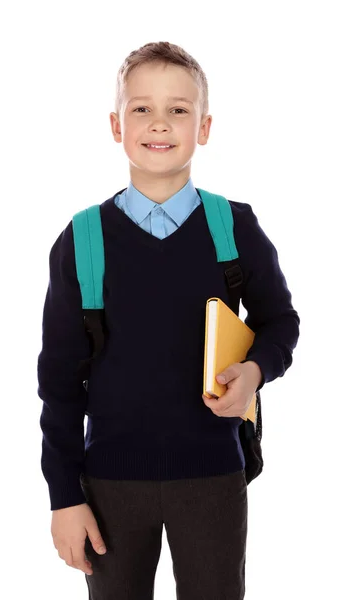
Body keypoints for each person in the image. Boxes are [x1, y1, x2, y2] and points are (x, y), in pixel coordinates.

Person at [37, 41, 300, 600]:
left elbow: (281, 322)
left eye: (179, 109)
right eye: (142, 108)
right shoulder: (83, 240)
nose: (160, 123)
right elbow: (59, 384)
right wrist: (65, 496)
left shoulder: (235, 227)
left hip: (213, 478)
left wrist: (254, 371)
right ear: (116, 124)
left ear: (203, 127)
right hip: (108, 486)